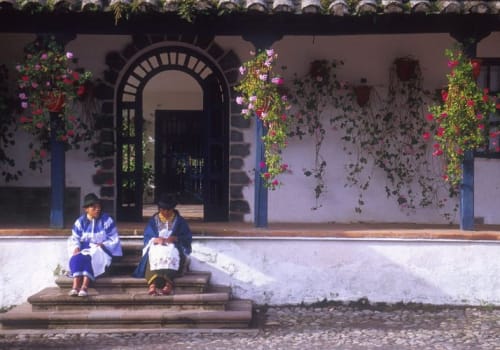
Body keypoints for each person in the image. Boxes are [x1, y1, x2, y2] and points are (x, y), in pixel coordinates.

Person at [132, 194, 192, 296]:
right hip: (157, 245)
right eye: (163, 210)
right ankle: (152, 285)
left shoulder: (179, 221)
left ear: (173, 209)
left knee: (172, 253)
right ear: (159, 209)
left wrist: (175, 238)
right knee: (154, 253)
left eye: (169, 210)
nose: (166, 212)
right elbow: (147, 236)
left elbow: (186, 236)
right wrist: (155, 239)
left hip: (173, 246)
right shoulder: (153, 221)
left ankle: (168, 284)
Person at [67, 193, 123, 297]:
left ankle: (84, 286)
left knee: (92, 256)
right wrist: (76, 247)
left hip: (101, 250)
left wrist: (104, 244)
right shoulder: (80, 222)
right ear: (86, 209)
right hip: (85, 249)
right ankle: (75, 287)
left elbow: (114, 238)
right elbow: (74, 238)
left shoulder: (106, 220)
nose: (97, 209)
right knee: (77, 257)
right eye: (94, 207)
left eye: (99, 207)